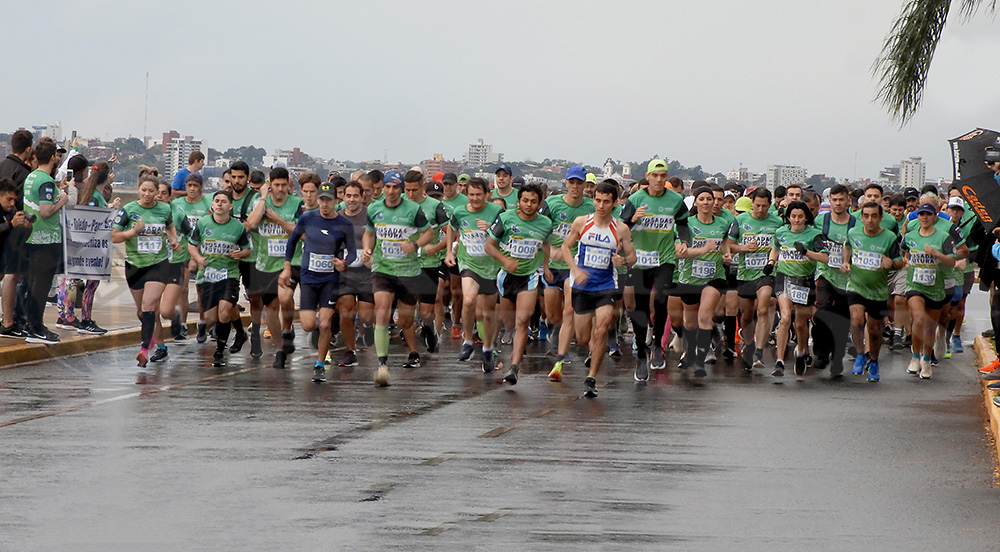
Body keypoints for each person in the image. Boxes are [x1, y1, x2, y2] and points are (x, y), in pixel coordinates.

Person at [554, 181, 636, 396]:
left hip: (607, 285)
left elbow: (633, 257)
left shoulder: (620, 229)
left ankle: (591, 378)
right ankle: (591, 350)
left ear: (614, 203)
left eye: (606, 202)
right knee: (582, 338)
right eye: (597, 200)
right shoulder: (582, 222)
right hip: (582, 285)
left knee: (600, 331)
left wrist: (623, 261)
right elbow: (565, 246)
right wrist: (575, 270)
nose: (601, 206)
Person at [361, 170, 434, 386]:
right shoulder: (374, 208)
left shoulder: (413, 209)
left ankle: (412, 346)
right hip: (383, 268)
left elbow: (429, 233)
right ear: (382, 188)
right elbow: (369, 232)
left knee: (405, 321)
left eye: (395, 187)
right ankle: (382, 364)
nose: (391, 191)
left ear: (401, 189)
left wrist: (414, 245)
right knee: (381, 311)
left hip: (408, 271)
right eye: (387, 187)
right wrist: (367, 249)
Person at [619, 159, 689, 381]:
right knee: (639, 309)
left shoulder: (676, 200)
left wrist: (684, 241)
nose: (659, 180)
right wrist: (632, 219)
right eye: (655, 176)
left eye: (663, 176)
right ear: (647, 177)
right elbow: (621, 227)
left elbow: (684, 223)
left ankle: (657, 344)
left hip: (665, 258)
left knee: (660, 299)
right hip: (639, 260)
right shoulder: (636, 199)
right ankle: (641, 353)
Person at [280, 182, 354, 382]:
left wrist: (344, 263)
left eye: (329, 200)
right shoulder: (307, 218)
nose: (324, 204)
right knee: (306, 325)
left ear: (336, 202)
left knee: (324, 324)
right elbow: (292, 241)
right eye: (322, 200)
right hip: (309, 278)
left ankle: (320, 364)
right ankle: (321, 341)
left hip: (330, 279)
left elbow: (353, 251)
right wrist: (287, 267)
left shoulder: (344, 224)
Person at [485, 183, 554, 385]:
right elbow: (489, 246)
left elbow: (546, 244)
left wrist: (546, 267)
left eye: (533, 201)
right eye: (525, 200)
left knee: (522, 321)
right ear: (519, 201)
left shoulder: (545, 223)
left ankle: (514, 367)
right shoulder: (506, 219)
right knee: (508, 322)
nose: (529, 205)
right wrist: (505, 261)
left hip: (529, 276)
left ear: (540, 203)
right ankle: (491, 346)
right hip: (506, 276)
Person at [112, 175, 181, 368]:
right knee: (142, 312)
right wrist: (133, 232)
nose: (148, 194)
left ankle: (144, 350)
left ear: (157, 192)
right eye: (144, 190)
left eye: (152, 191)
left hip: (158, 263)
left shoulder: (164, 209)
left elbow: (170, 226)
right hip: (134, 265)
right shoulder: (129, 210)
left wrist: (173, 240)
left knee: (150, 305)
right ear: (138, 190)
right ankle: (154, 338)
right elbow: (115, 237)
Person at [188, 191, 253, 367]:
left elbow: (247, 249)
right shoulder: (202, 223)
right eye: (216, 201)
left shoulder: (238, 227)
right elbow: (192, 245)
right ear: (212, 205)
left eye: (223, 201)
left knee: (224, 311)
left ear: (230, 206)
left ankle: (219, 351)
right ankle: (240, 331)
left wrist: (240, 253)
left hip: (229, 274)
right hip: (207, 275)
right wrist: (198, 258)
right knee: (210, 318)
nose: (219, 204)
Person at [247, 167, 303, 367]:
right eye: (276, 185)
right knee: (270, 308)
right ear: (270, 184)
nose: (280, 189)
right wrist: (262, 199)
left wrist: (278, 220)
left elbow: (300, 233)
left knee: (286, 296)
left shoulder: (297, 204)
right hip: (265, 262)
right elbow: (251, 224)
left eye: (284, 185)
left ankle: (288, 329)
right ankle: (280, 349)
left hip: (291, 261)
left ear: (289, 185)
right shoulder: (261, 203)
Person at [447, 177, 504, 372]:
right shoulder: (459, 211)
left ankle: (488, 347)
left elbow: (505, 236)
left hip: (490, 266)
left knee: (487, 313)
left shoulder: (497, 211)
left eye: (479, 195)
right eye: (471, 194)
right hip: (468, 261)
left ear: (488, 194)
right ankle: (468, 340)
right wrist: (449, 251)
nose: (475, 198)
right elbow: (451, 228)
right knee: (469, 301)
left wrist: (489, 229)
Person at [842, 202, 903, 382]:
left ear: (880, 218)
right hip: (856, 285)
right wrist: (846, 261)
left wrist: (890, 264)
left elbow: (900, 262)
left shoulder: (890, 237)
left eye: (874, 216)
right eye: (866, 216)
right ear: (861, 218)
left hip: (877, 291)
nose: (870, 220)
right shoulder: (854, 233)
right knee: (856, 319)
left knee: (875, 329)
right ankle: (860, 354)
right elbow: (847, 246)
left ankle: (874, 360)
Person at [541, 165, 595, 364]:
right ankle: (556, 328)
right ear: (566, 183)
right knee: (553, 314)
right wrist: (548, 256)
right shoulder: (552, 203)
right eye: (571, 182)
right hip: (553, 265)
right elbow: (540, 232)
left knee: (569, 310)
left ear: (584, 185)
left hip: (576, 266)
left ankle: (563, 347)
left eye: (579, 183)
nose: (575, 186)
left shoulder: (591, 207)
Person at [767, 201, 827, 376]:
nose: (797, 220)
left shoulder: (815, 235)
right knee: (785, 318)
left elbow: (825, 258)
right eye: (793, 216)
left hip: (804, 281)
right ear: (788, 217)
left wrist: (806, 252)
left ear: (806, 217)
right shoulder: (781, 232)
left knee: (800, 323)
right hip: (784, 277)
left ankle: (801, 350)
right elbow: (775, 249)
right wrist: (771, 262)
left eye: (800, 216)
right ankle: (779, 362)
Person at [676, 186, 731, 377]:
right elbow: (679, 252)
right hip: (690, 278)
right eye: (703, 199)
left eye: (710, 199)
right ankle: (690, 350)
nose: (707, 203)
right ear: (696, 202)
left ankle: (700, 360)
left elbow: (724, 241)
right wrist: (702, 250)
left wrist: (727, 253)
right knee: (690, 323)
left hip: (714, 277)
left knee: (705, 316)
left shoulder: (723, 223)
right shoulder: (686, 224)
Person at [901, 202, 958, 379]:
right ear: (917, 217)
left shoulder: (943, 237)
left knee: (930, 326)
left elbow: (952, 261)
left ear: (934, 217)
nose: (924, 217)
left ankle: (926, 359)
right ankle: (915, 356)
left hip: (935, 286)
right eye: (921, 214)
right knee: (918, 318)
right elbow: (903, 251)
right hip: (914, 284)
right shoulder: (910, 236)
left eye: (928, 214)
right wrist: (906, 260)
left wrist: (937, 255)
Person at [21, 141, 69, 345]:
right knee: (40, 285)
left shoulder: (30, 177)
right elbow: (46, 210)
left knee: (33, 283)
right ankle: (35, 327)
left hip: (31, 237)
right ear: (52, 158)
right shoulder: (46, 181)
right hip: (46, 238)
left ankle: (31, 324)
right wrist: (63, 200)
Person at [404, 170, 452, 353]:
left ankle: (429, 328)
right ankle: (412, 351)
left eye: (414, 190)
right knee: (407, 309)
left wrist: (437, 248)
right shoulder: (398, 204)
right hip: (404, 265)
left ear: (422, 187)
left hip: (428, 263)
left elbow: (451, 232)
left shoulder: (435, 206)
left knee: (425, 312)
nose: (410, 194)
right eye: (407, 190)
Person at [812, 184, 856, 374]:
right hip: (825, 274)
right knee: (823, 310)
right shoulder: (821, 221)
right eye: (834, 200)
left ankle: (837, 356)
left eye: (841, 200)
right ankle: (821, 353)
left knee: (842, 318)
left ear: (848, 201)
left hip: (848, 278)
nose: (838, 203)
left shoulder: (856, 224)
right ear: (829, 201)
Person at [332, 180, 375, 368]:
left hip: (367, 273)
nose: (351, 199)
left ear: (362, 197)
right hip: (346, 273)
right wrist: (335, 261)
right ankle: (350, 351)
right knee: (346, 312)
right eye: (348, 196)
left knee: (365, 315)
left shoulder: (370, 216)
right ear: (343, 197)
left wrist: (373, 258)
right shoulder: (337, 217)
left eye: (355, 196)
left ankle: (366, 326)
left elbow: (380, 240)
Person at [163, 172, 209, 342]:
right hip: (182, 252)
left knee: (201, 290)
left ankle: (202, 321)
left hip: (203, 251)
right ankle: (182, 323)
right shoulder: (177, 203)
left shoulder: (207, 203)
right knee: (183, 289)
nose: (191, 189)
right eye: (189, 185)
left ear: (200, 188)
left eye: (195, 186)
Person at [439, 172, 469, 340]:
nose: (448, 187)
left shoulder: (464, 202)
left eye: (451, 184)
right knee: (450, 290)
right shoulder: (440, 203)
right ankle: (452, 320)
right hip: (445, 251)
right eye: (446, 184)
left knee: (462, 292)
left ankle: (461, 323)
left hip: (463, 251)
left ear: (457, 185)